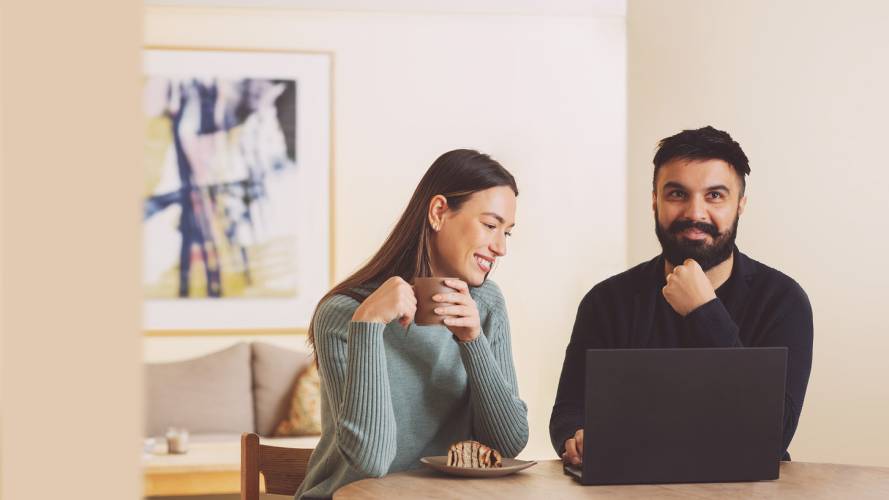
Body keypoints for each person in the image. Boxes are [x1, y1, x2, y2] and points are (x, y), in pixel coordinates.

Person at [550, 126, 813, 465]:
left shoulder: (783, 300)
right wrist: (576, 437)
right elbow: (569, 411)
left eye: (715, 196)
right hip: (629, 486)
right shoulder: (607, 300)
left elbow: (775, 433)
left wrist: (705, 311)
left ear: (740, 205)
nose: (695, 213)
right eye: (677, 194)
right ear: (655, 201)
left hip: (749, 489)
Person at [296, 149, 529, 499]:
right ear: (438, 212)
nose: (500, 248)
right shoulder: (344, 313)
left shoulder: (486, 304)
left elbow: (508, 445)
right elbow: (369, 462)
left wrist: (473, 340)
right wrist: (368, 326)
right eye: (490, 225)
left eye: (507, 233)